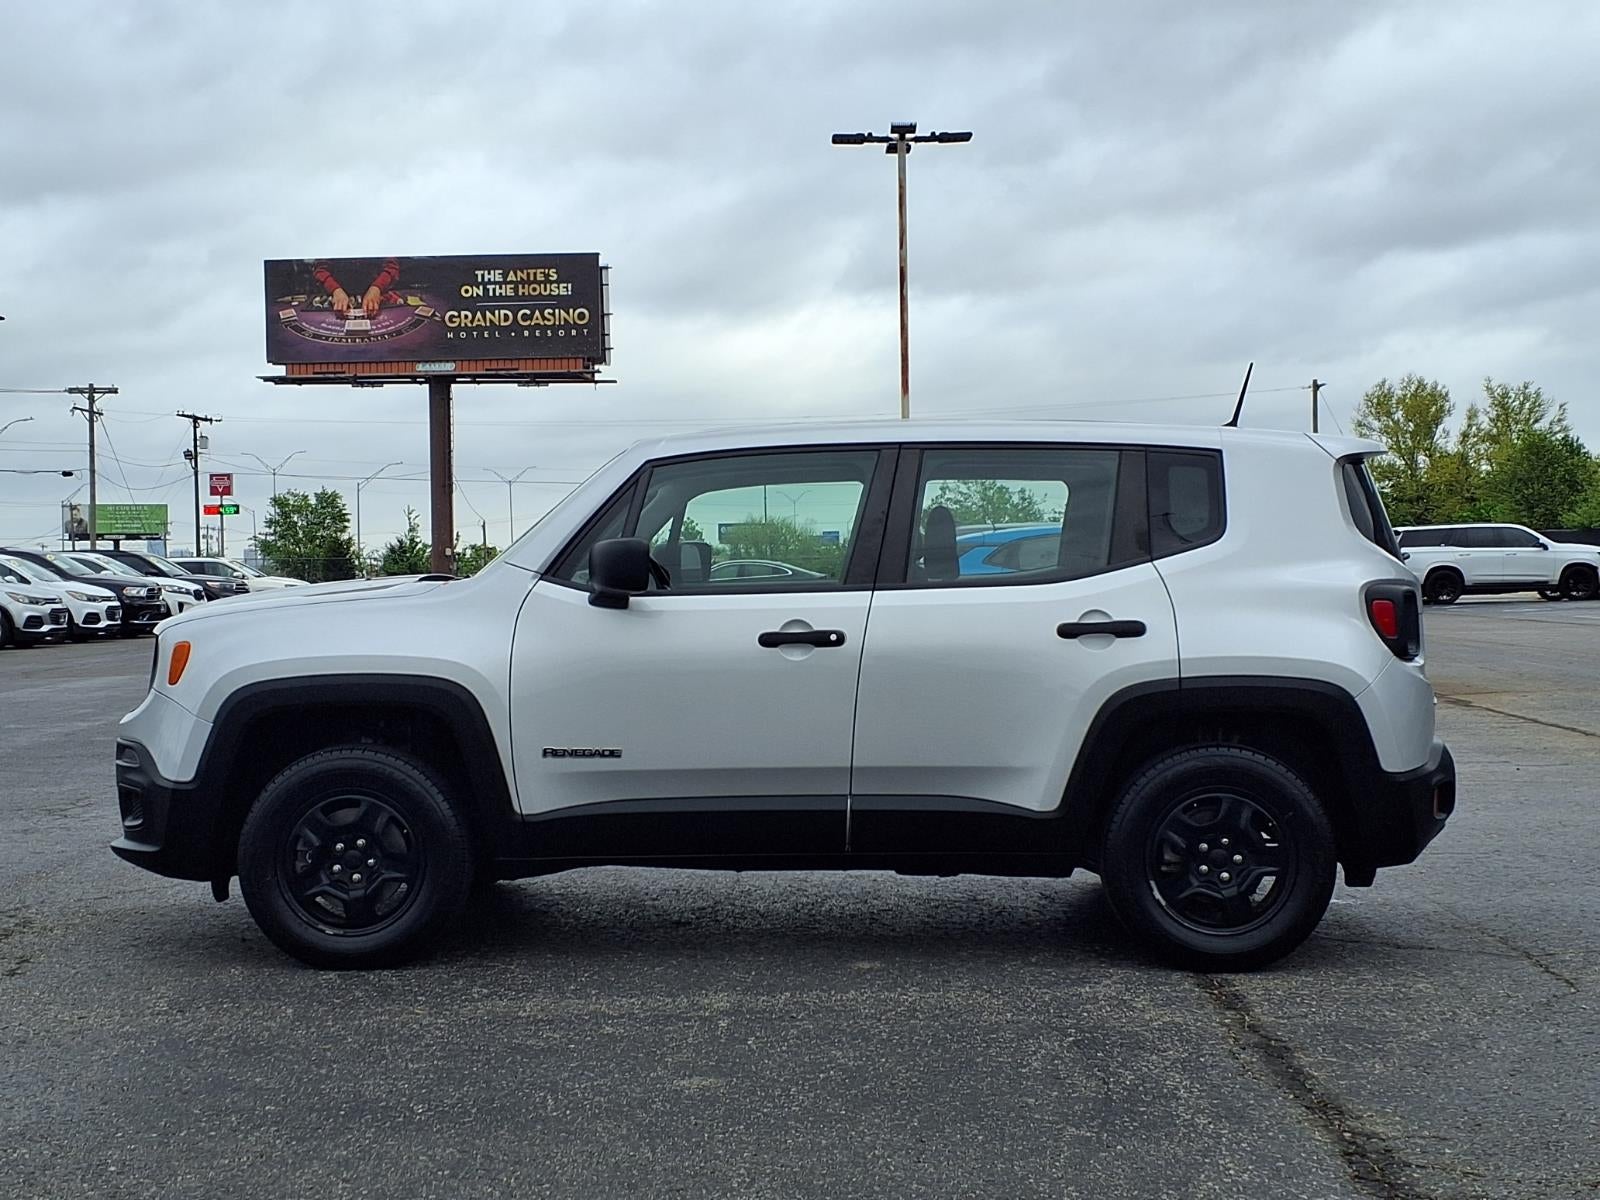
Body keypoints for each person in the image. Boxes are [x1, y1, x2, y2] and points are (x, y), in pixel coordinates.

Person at [312, 257, 401, 318]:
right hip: (337, 300)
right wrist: (335, 290)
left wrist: (377, 288)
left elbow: (391, 268)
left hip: (377, 299)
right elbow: (320, 270)